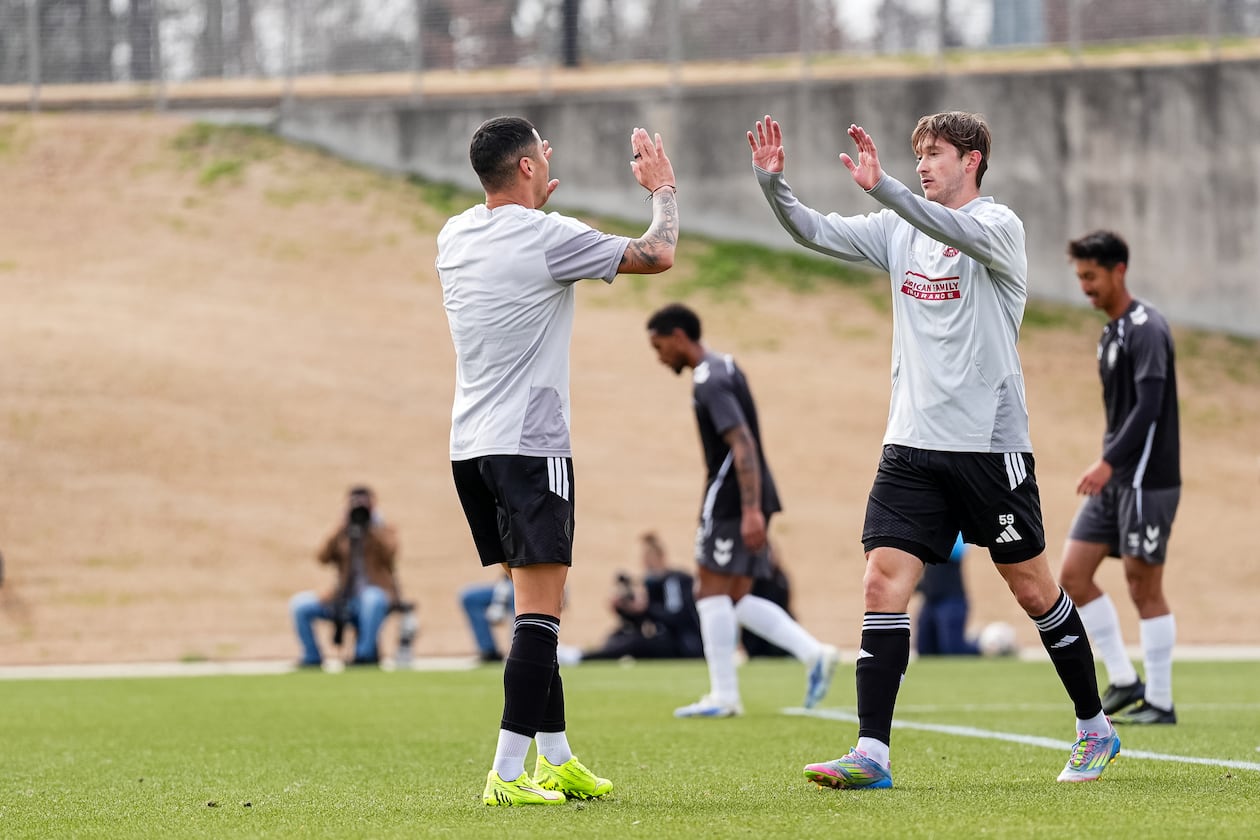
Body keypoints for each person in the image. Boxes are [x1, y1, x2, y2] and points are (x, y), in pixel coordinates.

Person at [747, 112, 1117, 787]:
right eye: (917, 154)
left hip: (988, 447)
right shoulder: (897, 227)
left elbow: (949, 227)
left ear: (972, 160)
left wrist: (884, 187)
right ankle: (872, 754)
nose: (922, 164)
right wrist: (775, 186)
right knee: (881, 581)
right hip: (910, 444)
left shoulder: (999, 228)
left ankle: (1094, 727)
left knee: (1032, 588)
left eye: (936, 153)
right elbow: (816, 231)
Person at [436, 115, 678, 806]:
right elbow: (657, 255)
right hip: (531, 446)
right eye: (544, 148)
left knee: (530, 609)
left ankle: (557, 758)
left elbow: (512, 262)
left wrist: (539, 207)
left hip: (471, 449)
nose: (551, 154)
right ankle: (507, 775)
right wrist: (663, 190)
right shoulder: (549, 236)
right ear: (525, 168)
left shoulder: (452, 236)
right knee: (542, 615)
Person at [646, 302, 841, 718]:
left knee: (709, 592)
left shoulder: (708, 381)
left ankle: (724, 697)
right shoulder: (728, 366)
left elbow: (743, 444)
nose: (659, 357)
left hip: (733, 498)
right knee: (734, 597)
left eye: (659, 346)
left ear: (679, 337)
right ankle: (814, 653)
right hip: (750, 495)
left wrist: (750, 509)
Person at [1058, 230, 1181, 725]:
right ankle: (1125, 680)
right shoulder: (1110, 333)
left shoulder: (1147, 327)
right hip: (1116, 478)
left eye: (1091, 276)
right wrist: (1109, 464)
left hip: (1147, 478)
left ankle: (1162, 700)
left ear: (1118, 271)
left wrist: (1109, 461)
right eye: (1080, 277)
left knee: (1142, 585)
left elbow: (1151, 406)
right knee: (1072, 575)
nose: (1085, 286)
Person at [290, 485, 401, 667]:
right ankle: (312, 657)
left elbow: (391, 554)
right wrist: (340, 527)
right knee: (300, 604)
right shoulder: (343, 532)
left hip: (375, 598)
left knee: (371, 599)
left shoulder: (384, 530)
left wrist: (373, 526)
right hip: (343, 598)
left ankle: (362, 656)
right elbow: (322, 557)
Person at [581, 531, 703, 662]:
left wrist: (646, 608)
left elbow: (676, 617)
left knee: (636, 642)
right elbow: (642, 620)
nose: (646, 565)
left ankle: (582, 657)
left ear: (660, 557)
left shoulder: (676, 580)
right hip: (663, 638)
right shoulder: (650, 583)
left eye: (649, 559)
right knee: (618, 636)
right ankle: (584, 655)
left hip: (685, 644)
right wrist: (624, 609)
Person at [915, 534, 981, 656]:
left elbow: (957, 550)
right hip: (930, 601)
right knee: (924, 649)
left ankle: (986, 648)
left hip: (952, 600)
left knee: (952, 650)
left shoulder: (953, 535)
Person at [460, 574, 515, 663]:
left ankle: (517, 652)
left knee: (514, 591)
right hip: (508, 584)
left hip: (528, 586)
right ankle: (489, 652)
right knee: (470, 598)